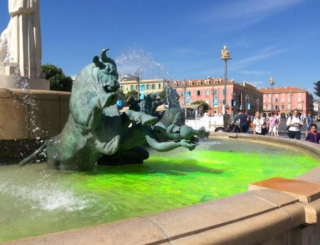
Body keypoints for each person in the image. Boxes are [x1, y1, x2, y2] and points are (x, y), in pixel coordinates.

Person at [0, 0, 42, 78]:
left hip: (26, 15)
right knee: (8, 34)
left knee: (9, 34)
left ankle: (24, 68)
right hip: (20, 14)